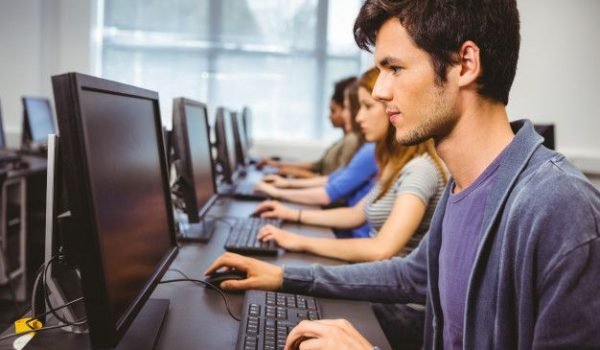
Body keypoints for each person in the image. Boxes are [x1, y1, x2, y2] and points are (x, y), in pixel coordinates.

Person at [207, 0, 600, 349]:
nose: (378, 92)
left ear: (465, 64)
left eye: (394, 67)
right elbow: (410, 277)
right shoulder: (463, 184)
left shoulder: (560, 209)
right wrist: (283, 277)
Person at [255, 67, 447, 264]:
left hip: (384, 282)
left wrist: (300, 241)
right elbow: (355, 214)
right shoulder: (396, 164)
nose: (358, 117)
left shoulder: (420, 170)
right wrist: (291, 214)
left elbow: (380, 250)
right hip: (370, 270)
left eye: (368, 107)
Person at [257, 80, 379, 238]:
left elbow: (330, 191)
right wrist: (285, 185)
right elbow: (331, 179)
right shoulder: (369, 148)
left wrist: (280, 192)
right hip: (349, 230)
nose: (355, 116)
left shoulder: (371, 150)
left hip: (351, 234)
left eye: (348, 108)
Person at [260, 76, 362, 178]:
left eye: (333, 110)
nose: (329, 116)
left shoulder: (352, 140)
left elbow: (336, 184)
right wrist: (279, 166)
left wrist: (292, 172)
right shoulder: (344, 139)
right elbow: (318, 166)